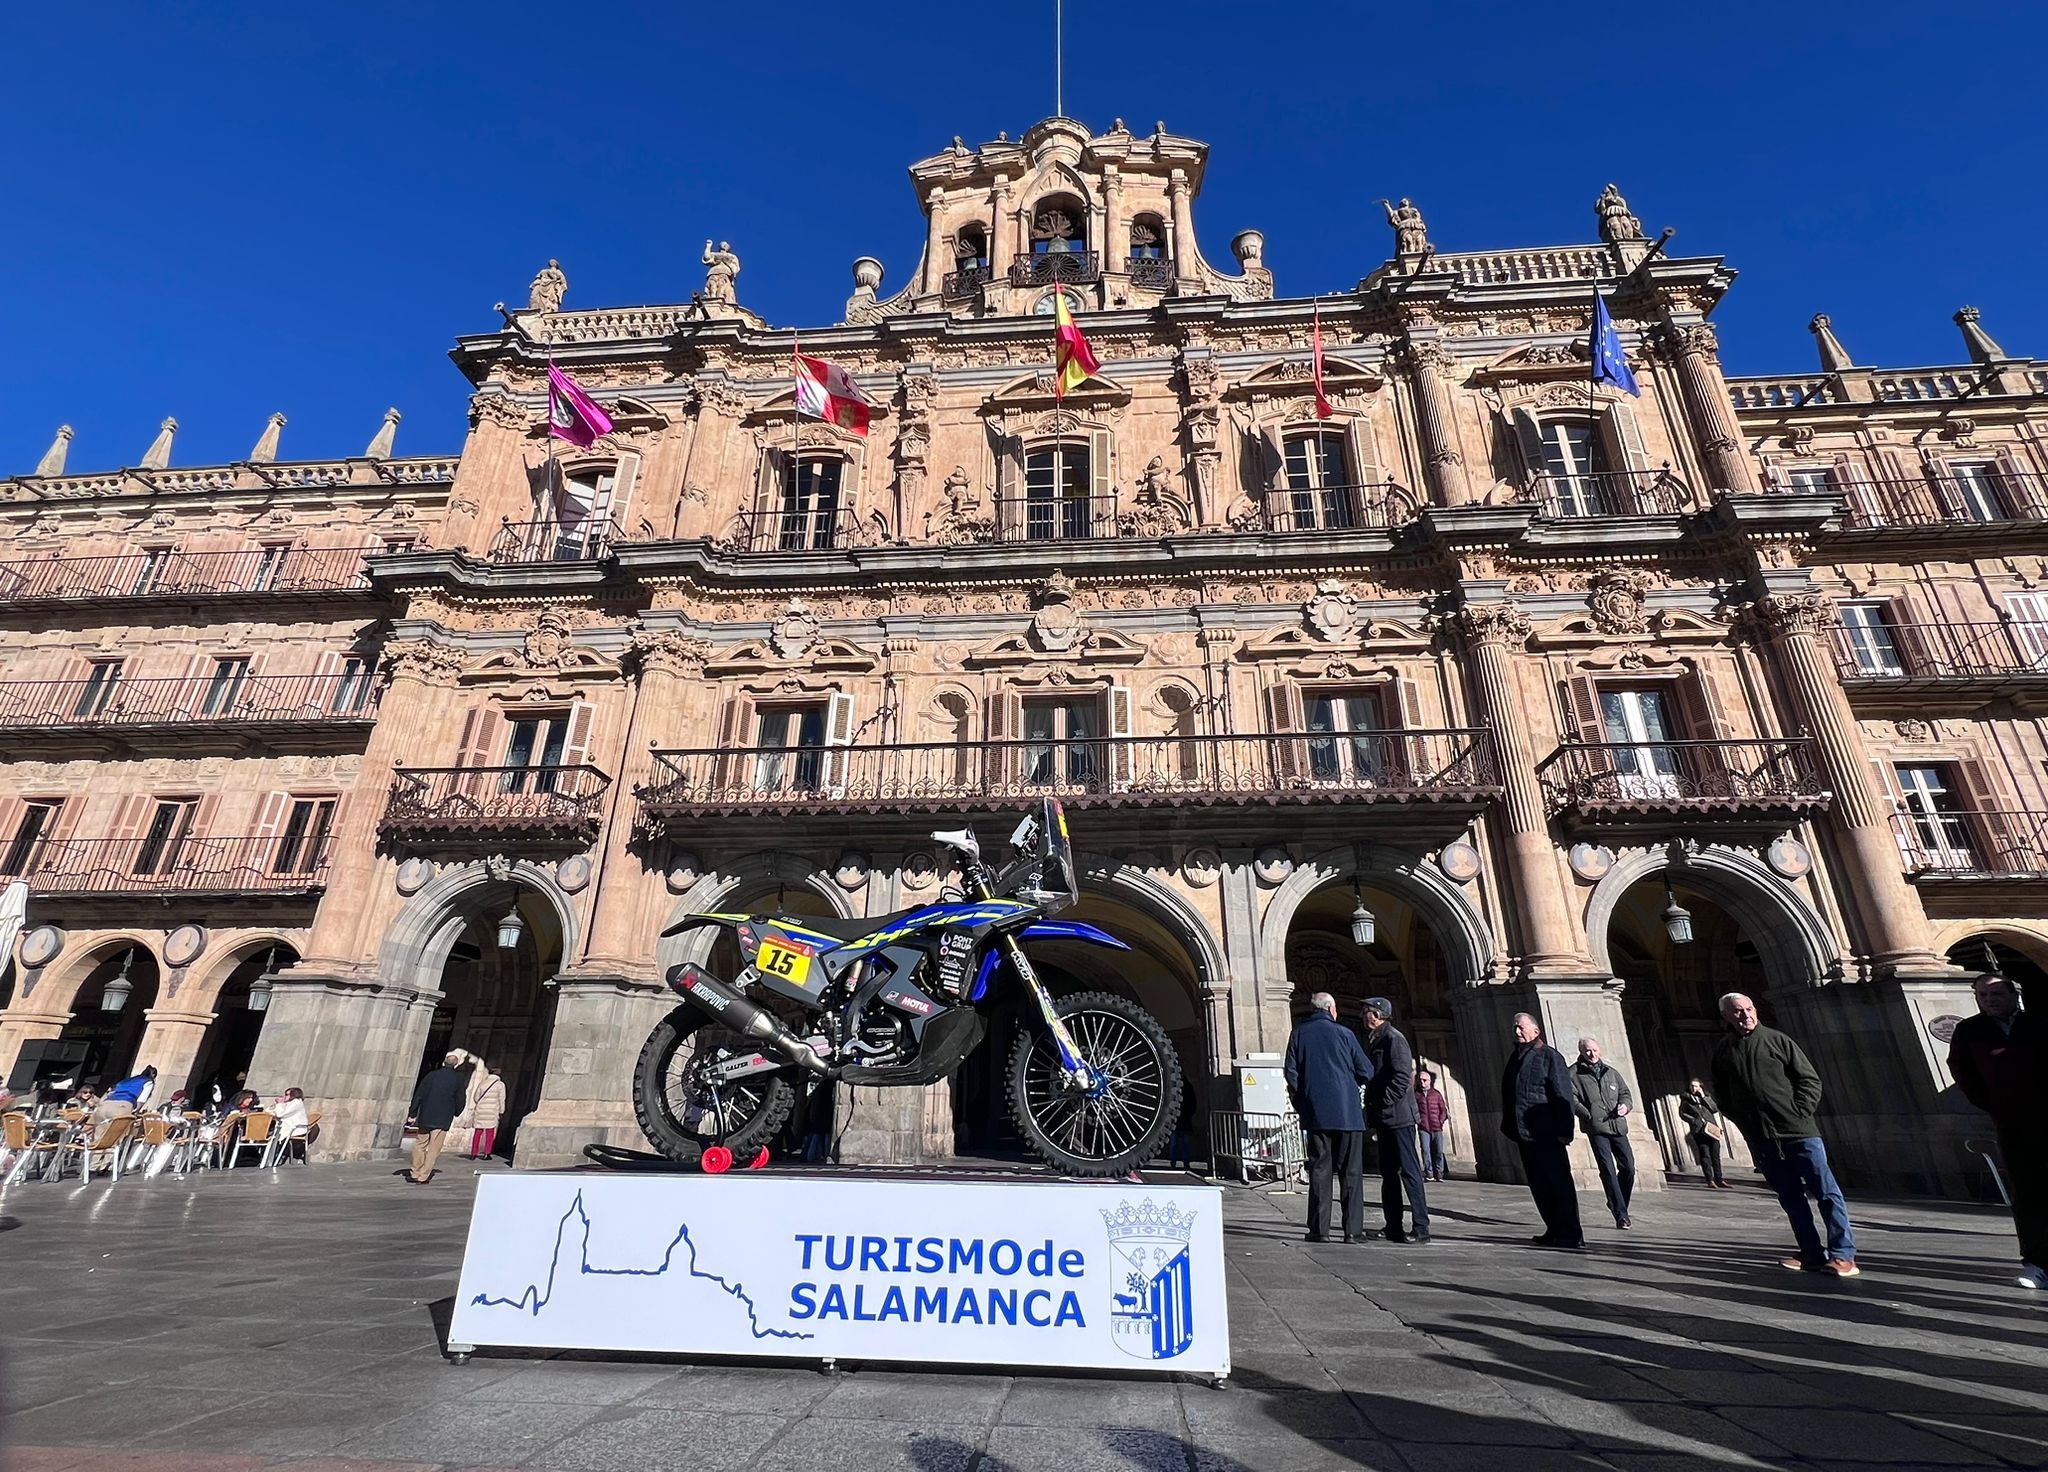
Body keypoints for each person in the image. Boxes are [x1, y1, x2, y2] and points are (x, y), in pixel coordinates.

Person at [1712, 992, 1857, 1277]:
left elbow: (1808, 1079)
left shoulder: (1778, 1040)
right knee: (1790, 1198)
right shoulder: (1723, 1050)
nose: (1746, 1015)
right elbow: (1722, 1092)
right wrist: (1745, 1121)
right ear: (1727, 1016)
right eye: (1738, 1011)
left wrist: (1798, 1111)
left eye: (1749, 1008)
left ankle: (1843, 1254)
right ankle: (1812, 1253)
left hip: (1799, 1132)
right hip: (1763, 1137)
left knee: (1826, 1192)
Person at [1946, 973, 2045, 1290]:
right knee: (2027, 1192)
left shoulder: (2040, 1023)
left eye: (1995, 994)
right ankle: (2037, 1263)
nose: (1989, 1000)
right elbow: (1963, 1072)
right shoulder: (1969, 1030)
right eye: (1982, 996)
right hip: (2013, 1122)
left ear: (2013, 993)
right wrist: (1995, 1103)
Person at [1283, 991, 1373, 1243]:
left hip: (1316, 1114)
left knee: (1320, 1170)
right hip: (1348, 1114)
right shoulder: (1345, 1033)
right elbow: (1366, 1070)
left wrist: (1304, 1101)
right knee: (1351, 1172)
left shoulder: (1299, 1033)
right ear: (1332, 1009)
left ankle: (1319, 1230)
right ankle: (1353, 1232)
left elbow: (1291, 1072)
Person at [1499, 1012, 1582, 1248]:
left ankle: (1571, 1233)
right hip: (1524, 1133)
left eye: (1521, 1027)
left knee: (1559, 1183)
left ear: (1536, 1031)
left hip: (1547, 1132)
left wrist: (1565, 1131)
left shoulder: (1550, 1057)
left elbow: (1562, 1095)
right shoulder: (1515, 1057)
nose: (1517, 1031)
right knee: (1539, 1184)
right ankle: (1553, 1228)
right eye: (1514, 1027)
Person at [1361, 998, 1430, 1244]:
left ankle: (1421, 1228)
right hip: (1386, 1118)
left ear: (1378, 1015)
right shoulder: (1378, 1039)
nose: (1364, 1016)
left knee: (1410, 1172)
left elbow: (1402, 1077)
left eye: (1368, 1012)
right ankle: (1393, 1226)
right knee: (1388, 1172)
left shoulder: (1394, 1039)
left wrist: (1384, 1102)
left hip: (1399, 1117)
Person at [1572, 1038, 1637, 1229]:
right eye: (1587, 1051)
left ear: (1599, 1050)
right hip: (1597, 1129)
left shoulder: (1611, 1072)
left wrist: (1625, 1106)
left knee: (1629, 1168)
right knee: (1607, 1170)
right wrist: (1587, 1115)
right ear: (1581, 1052)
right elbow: (1571, 1098)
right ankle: (1621, 1215)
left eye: (1594, 1050)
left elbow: (1625, 1093)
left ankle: (1617, 1201)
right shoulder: (1574, 1074)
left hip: (1617, 1126)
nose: (1592, 1054)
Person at [405, 1052, 471, 1185]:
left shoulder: (431, 1076)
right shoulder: (458, 1079)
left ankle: (414, 1172)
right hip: (442, 1118)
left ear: (443, 1063)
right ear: (456, 1065)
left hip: (426, 1116)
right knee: (433, 1149)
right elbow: (460, 1099)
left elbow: (419, 1094)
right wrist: (457, 1112)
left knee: (420, 1145)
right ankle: (423, 1176)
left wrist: (412, 1112)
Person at [1679, 1079, 1731, 1188]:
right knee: (1705, 1155)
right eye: (1692, 1086)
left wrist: (1703, 1097)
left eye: (1696, 1086)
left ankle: (1719, 1179)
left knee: (1715, 1156)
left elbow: (1714, 1109)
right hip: (1699, 1131)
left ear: (1701, 1087)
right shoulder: (1686, 1100)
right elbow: (1682, 1113)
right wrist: (1694, 1121)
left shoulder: (1706, 1097)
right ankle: (1710, 1180)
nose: (1694, 1088)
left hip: (1712, 1130)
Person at [464, 1061, 506, 1161]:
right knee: (489, 1133)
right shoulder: (500, 1085)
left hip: (481, 1110)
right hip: (492, 1111)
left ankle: (473, 1153)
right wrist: (501, 1111)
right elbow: (501, 1099)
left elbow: (476, 1097)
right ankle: (487, 1153)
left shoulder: (483, 1083)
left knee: (478, 1132)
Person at [1416, 1067, 1450, 1182]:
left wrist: (1440, 1121)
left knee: (1438, 1151)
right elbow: (1414, 1109)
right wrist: (1418, 1120)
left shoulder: (1436, 1094)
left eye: (1424, 1080)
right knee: (1425, 1150)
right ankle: (1429, 1173)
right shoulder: (1416, 1095)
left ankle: (1439, 1173)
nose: (1422, 1082)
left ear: (1429, 1081)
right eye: (1420, 1080)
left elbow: (1443, 1110)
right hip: (1424, 1127)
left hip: (1436, 1127)